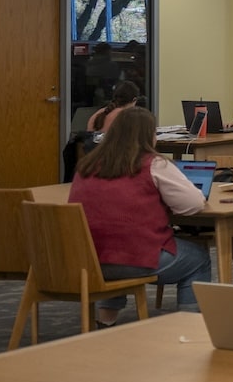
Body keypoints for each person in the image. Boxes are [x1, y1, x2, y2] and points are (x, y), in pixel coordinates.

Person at [71, 107, 210, 324]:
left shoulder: (86, 166)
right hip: (136, 259)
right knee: (198, 259)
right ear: (149, 136)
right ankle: (189, 325)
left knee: (112, 241)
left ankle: (105, 321)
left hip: (89, 259)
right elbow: (192, 205)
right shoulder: (153, 164)